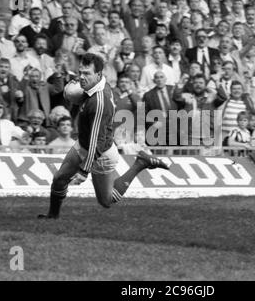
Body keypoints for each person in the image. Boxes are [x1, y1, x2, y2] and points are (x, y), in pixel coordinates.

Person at [38, 53, 169, 219]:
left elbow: (96, 141)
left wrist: (84, 170)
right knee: (59, 178)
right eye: (81, 72)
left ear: (98, 75)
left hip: (102, 154)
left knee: (107, 200)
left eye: (87, 74)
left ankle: (140, 163)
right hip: (84, 145)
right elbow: (74, 88)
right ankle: (52, 216)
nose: (82, 77)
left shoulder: (99, 102)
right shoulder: (96, 84)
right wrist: (63, 81)